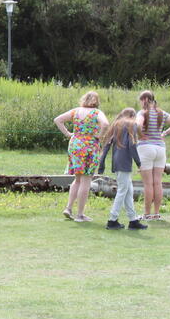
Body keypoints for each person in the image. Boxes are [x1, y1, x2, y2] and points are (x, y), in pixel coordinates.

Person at [53, 91, 109, 222]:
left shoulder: (76, 111)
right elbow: (105, 124)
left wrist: (68, 133)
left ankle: (68, 208)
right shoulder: (96, 112)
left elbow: (58, 120)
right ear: (96, 101)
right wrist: (99, 136)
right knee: (86, 180)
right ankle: (80, 215)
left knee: (77, 179)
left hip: (75, 144)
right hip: (89, 146)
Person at [135, 89, 170, 225]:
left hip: (145, 148)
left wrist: (140, 135)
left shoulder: (142, 113)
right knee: (157, 183)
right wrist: (164, 133)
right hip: (160, 148)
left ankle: (147, 214)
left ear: (143, 100)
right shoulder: (161, 113)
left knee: (148, 184)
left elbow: (137, 125)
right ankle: (156, 213)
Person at [98, 108, 146, 230]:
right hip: (124, 162)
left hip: (117, 161)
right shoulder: (132, 125)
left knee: (128, 191)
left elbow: (107, 145)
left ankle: (133, 220)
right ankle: (112, 220)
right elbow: (132, 145)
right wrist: (139, 163)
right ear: (133, 116)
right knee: (122, 191)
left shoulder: (117, 125)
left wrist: (102, 163)